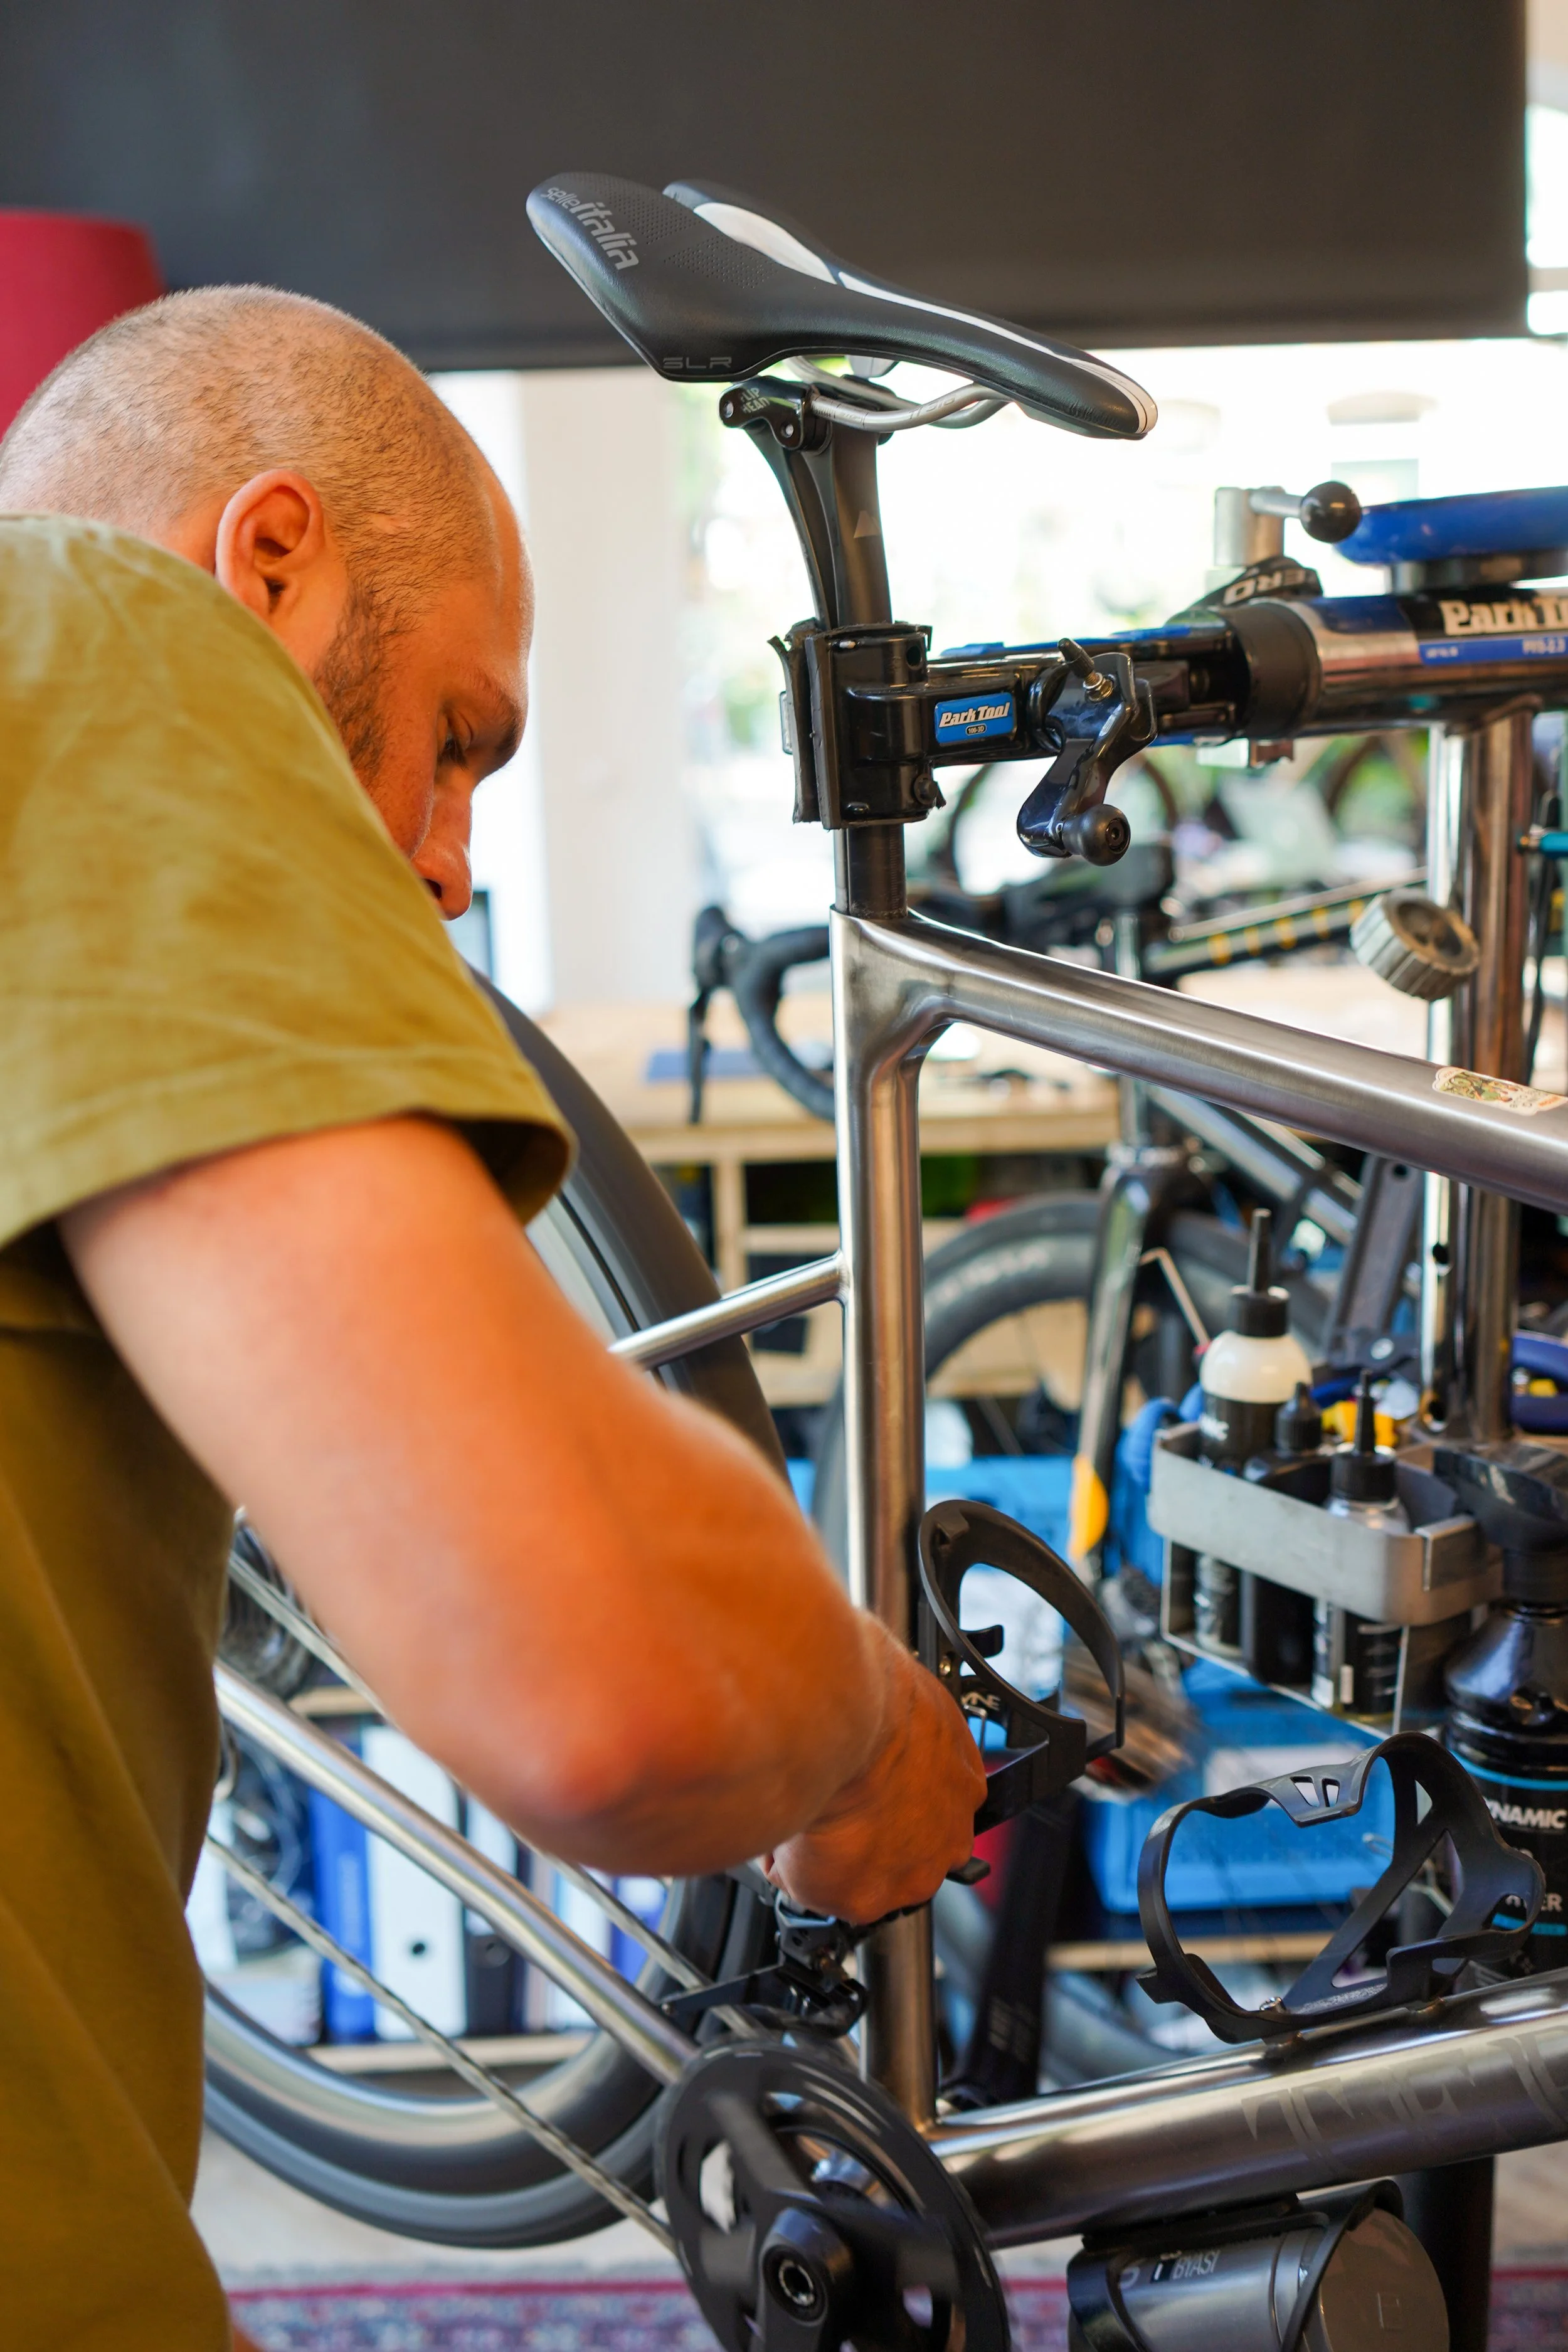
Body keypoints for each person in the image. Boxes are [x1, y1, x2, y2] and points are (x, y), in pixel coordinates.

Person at [0, 289, 985, 2348]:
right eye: (460, 739)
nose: (451, 866)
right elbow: (598, 1671)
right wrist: (871, 1726)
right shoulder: (95, 632)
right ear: (268, 559)